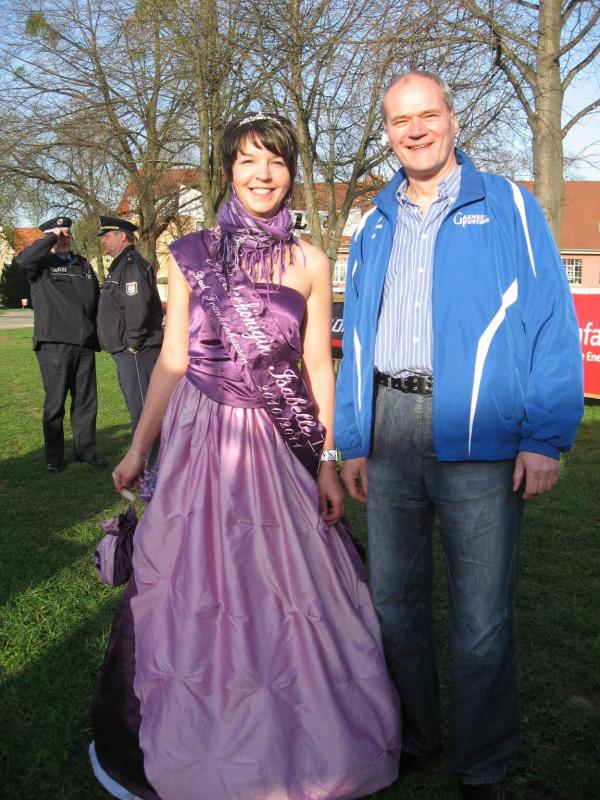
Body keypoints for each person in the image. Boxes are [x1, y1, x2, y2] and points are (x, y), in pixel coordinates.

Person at [90, 112, 400, 800]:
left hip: (279, 444)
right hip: (202, 439)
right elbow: (172, 359)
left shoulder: (311, 261)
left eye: (277, 161)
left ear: (291, 171)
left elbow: (318, 367)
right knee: (195, 580)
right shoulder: (190, 254)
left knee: (292, 583)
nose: (264, 174)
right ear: (228, 169)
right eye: (249, 160)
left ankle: (307, 737)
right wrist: (140, 447)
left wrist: (327, 457)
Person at [334, 71, 583, 800]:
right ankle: (413, 735)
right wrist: (354, 439)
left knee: (481, 617)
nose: (415, 130)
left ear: (451, 118)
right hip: (389, 427)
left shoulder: (508, 205)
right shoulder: (373, 222)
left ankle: (482, 761)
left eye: (427, 115)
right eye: (399, 120)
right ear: (387, 132)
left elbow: (551, 319)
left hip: (481, 431)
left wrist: (545, 435)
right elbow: (357, 335)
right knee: (393, 606)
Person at [15, 215, 104, 471]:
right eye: (59, 235)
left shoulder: (82, 264)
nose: (64, 239)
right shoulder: (40, 265)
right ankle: (54, 458)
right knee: (55, 404)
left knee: (86, 402)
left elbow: (95, 300)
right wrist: (52, 237)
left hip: (84, 344)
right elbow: (23, 260)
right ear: (48, 239)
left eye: (67, 234)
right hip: (54, 344)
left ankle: (85, 453)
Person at [97, 215, 164, 465]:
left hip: (137, 351)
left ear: (122, 237)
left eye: (107, 236)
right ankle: (149, 463)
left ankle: (151, 466)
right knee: (138, 406)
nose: (103, 241)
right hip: (129, 350)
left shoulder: (130, 265)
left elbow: (137, 308)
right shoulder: (121, 265)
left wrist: (133, 343)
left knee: (144, 410)